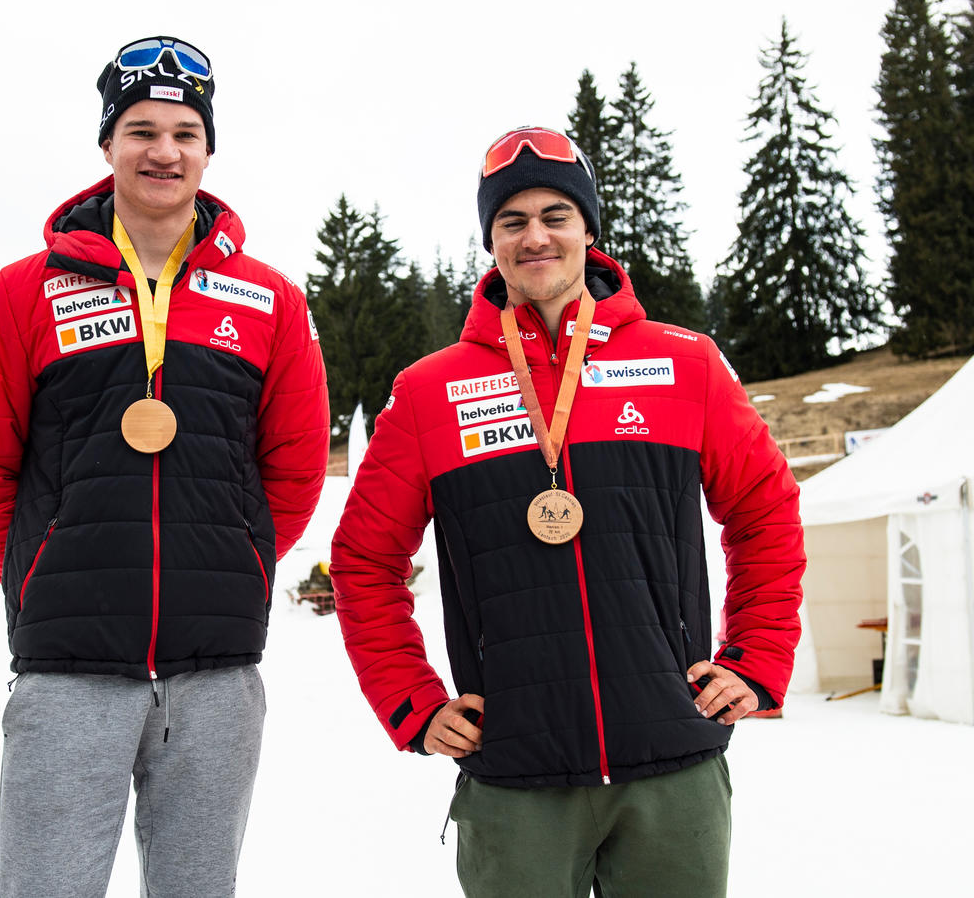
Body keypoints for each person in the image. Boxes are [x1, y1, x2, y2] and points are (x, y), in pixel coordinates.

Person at [330, 127, 804, 897]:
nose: (536, 237)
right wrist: (410, 701)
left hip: (672, 767)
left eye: (556, 215)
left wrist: (756, 661)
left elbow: (766, 512)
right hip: (516, 778)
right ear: (491, 240)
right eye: (512, 221)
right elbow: (363, 558)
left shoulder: (684, 362)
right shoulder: (429, 392)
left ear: (588, 228)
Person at [0, 35, 329, 898]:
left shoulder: (268, 300)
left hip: (215, 671)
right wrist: (45, 565)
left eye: (186, 133)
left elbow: (296, 467)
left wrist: (238, 556)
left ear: (208, 150)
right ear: (107, 144)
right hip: (67, 669)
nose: (165, 151)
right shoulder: (22, 293)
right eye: (142, 130)